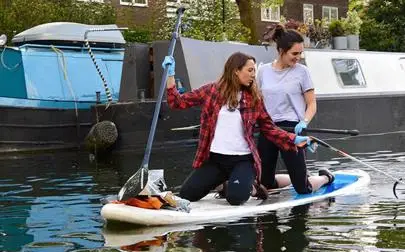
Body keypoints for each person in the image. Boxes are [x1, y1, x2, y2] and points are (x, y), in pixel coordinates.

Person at [162, 52, 314, 206]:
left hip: (242, 160)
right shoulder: (211, 91)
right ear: (236, 70)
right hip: (215, 160)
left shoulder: (254, 98)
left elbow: (269, 128)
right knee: (187, 194)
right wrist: (170, 75)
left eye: (254, 71)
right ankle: (226, 181)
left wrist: (294, 139)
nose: (253, 75)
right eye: (250, 70)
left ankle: (251, 186)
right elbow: (177, 103)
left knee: (235, 199)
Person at [257, 24, 334, 194]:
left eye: (300, 53)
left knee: (303, 188)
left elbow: (312, 104)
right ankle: (291, 178)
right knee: (265, 184)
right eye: (294, 53)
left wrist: (304, 121)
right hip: (268, 128)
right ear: (281, 50)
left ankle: (326, 177)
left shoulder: (302, 72)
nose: (298, 57)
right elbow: (258, 101)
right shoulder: (262, 71)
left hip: (293, 129)